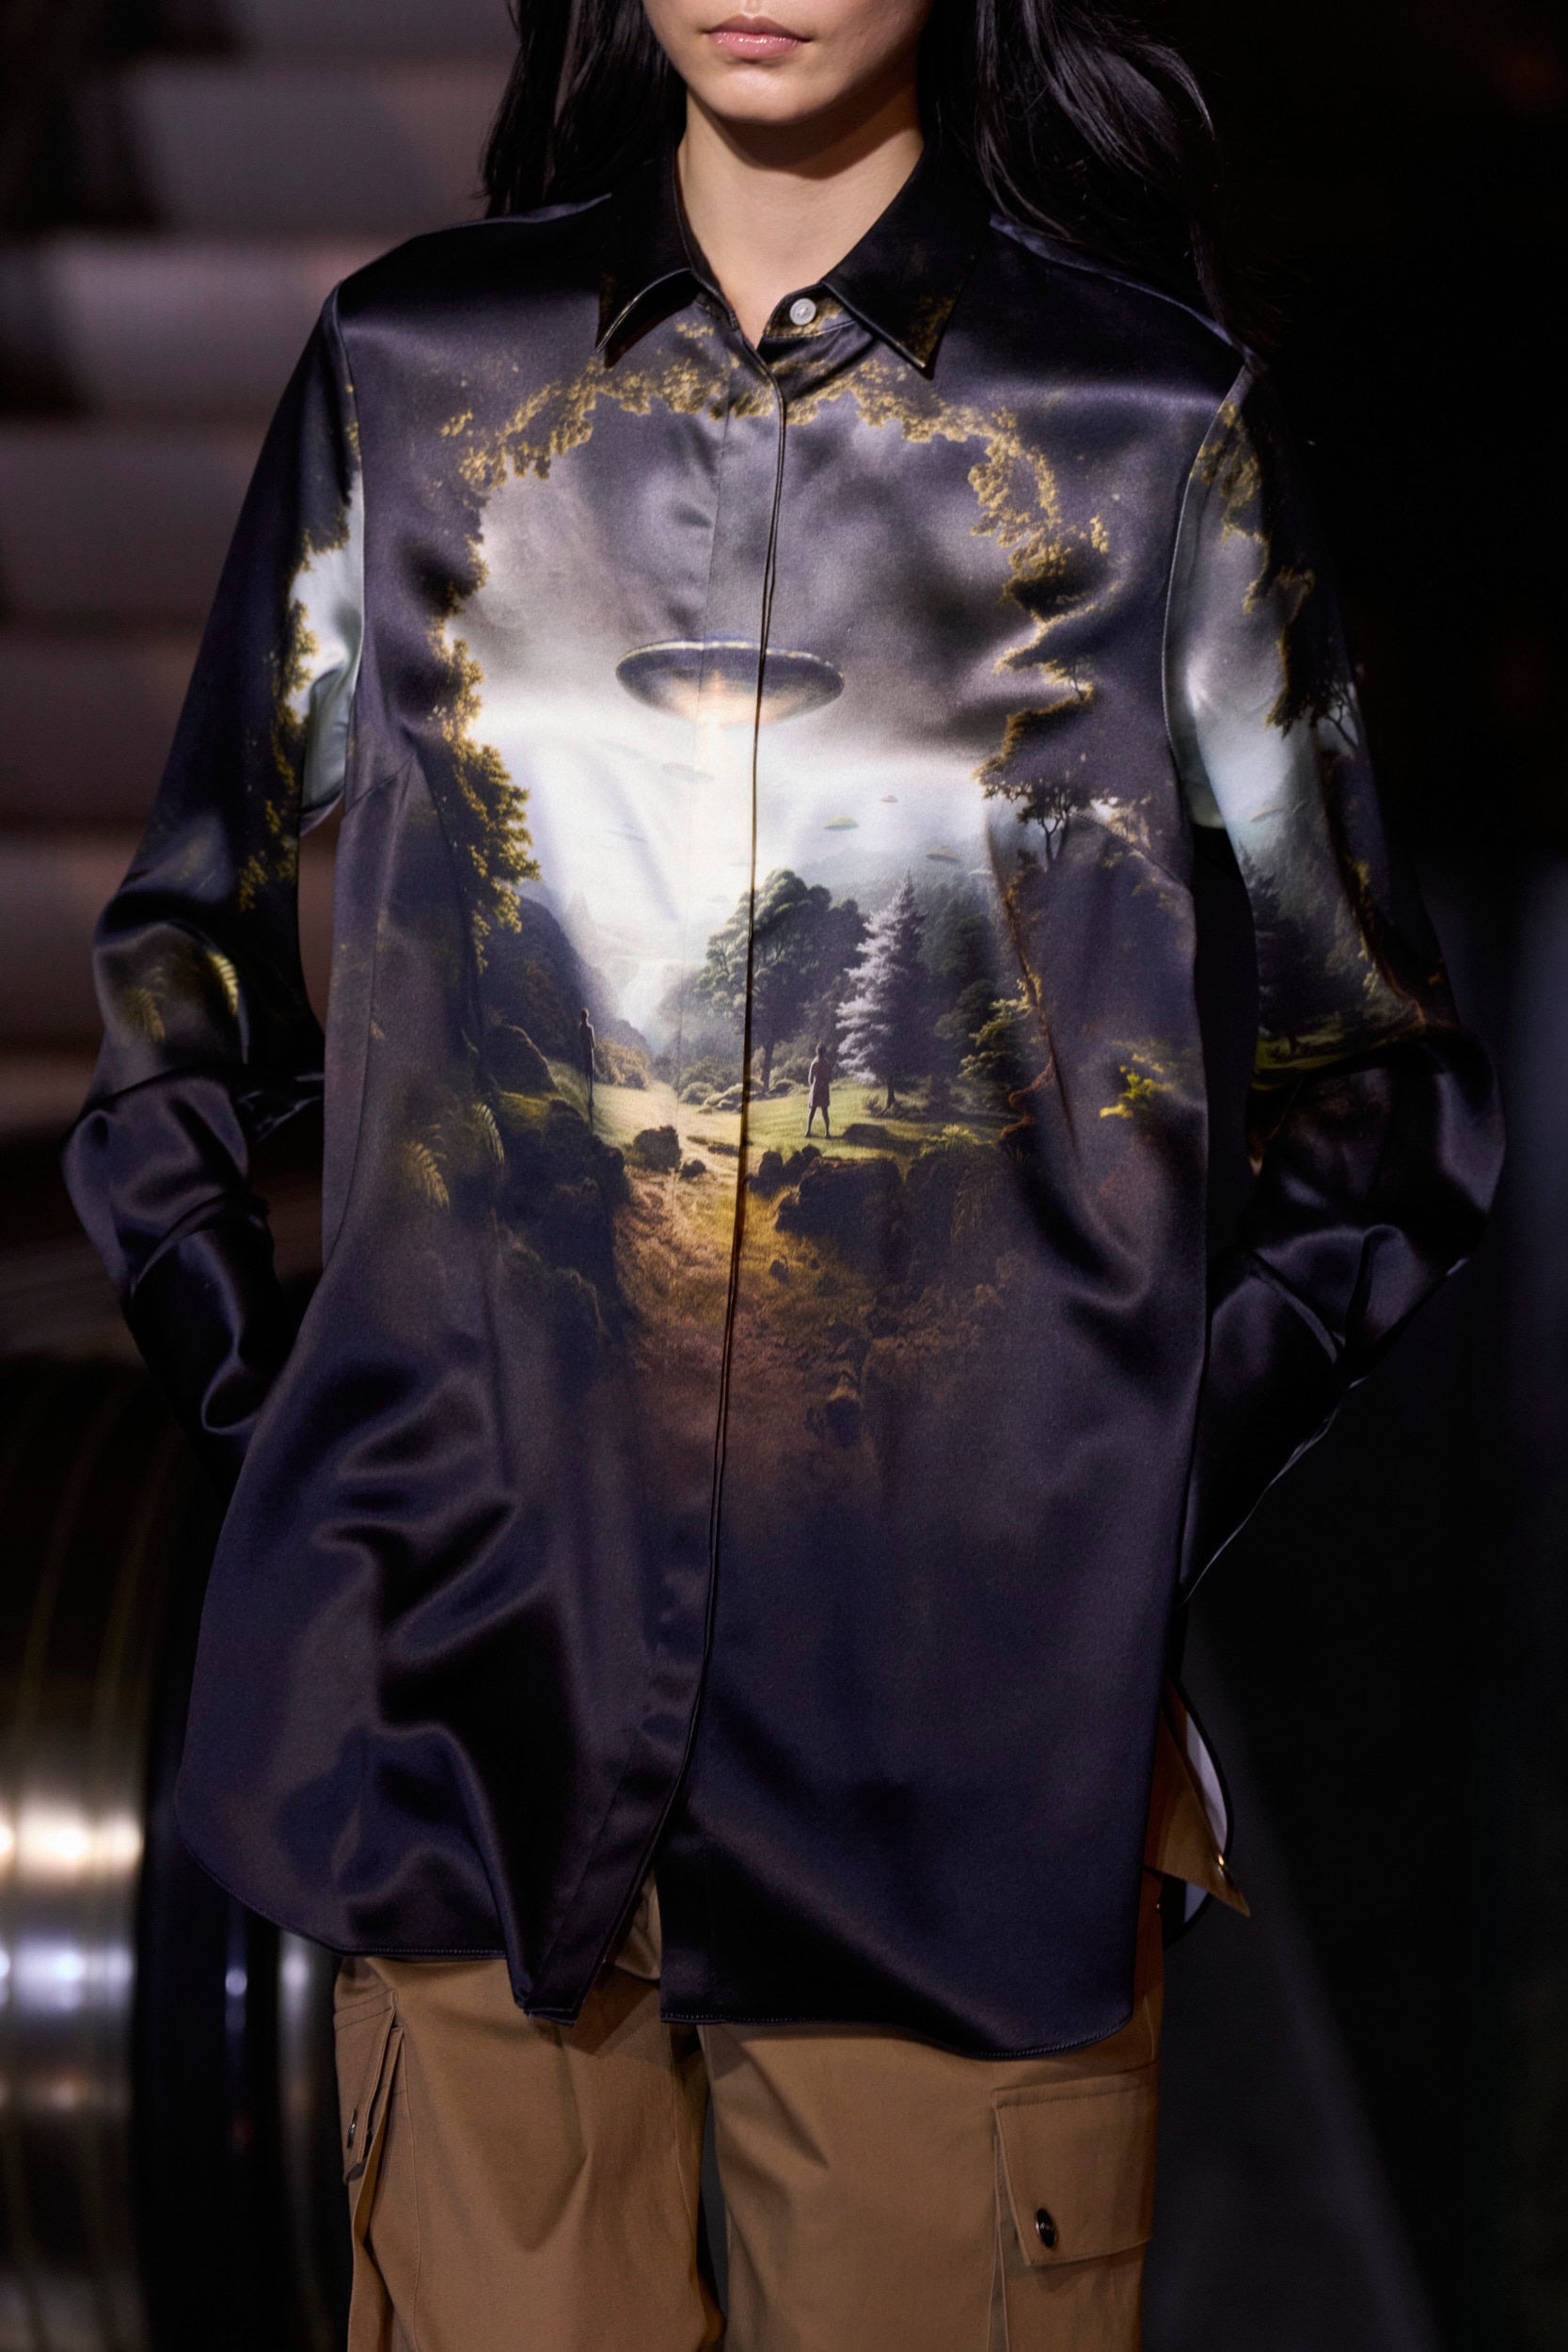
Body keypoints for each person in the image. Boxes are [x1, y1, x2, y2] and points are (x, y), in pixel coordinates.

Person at [63, 1, 1503, 2345]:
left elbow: (1381, 1087)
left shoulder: (1141, 434)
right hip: (468, 1714)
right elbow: (178, 964)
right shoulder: (417, 380)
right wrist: (290, 1422)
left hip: (960, 1765)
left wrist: (1102, 1491)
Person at [805, 1039, 832, 1136]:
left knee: (812, 1111)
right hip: (823, 1088)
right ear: (824, 1052)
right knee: (824, 1111)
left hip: (816, 1088)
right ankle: (827, 1132)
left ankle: (808, 1131)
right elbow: (829, 1077)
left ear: (817, 1052)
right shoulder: (827, 1063)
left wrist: (812, 1087)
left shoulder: (814, 1063)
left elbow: (810, 1078)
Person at [579, 1003, 597, 1114]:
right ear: (587, 1017)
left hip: (585, 1053)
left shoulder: (581, 1028)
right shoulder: (590, 1028)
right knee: (590, 1075)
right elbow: (593, 1044)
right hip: (589, 1053)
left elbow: (580, 1041)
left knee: (587, 1074)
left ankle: (589, 1095)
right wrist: (592, 1046)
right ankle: (591, 1096)